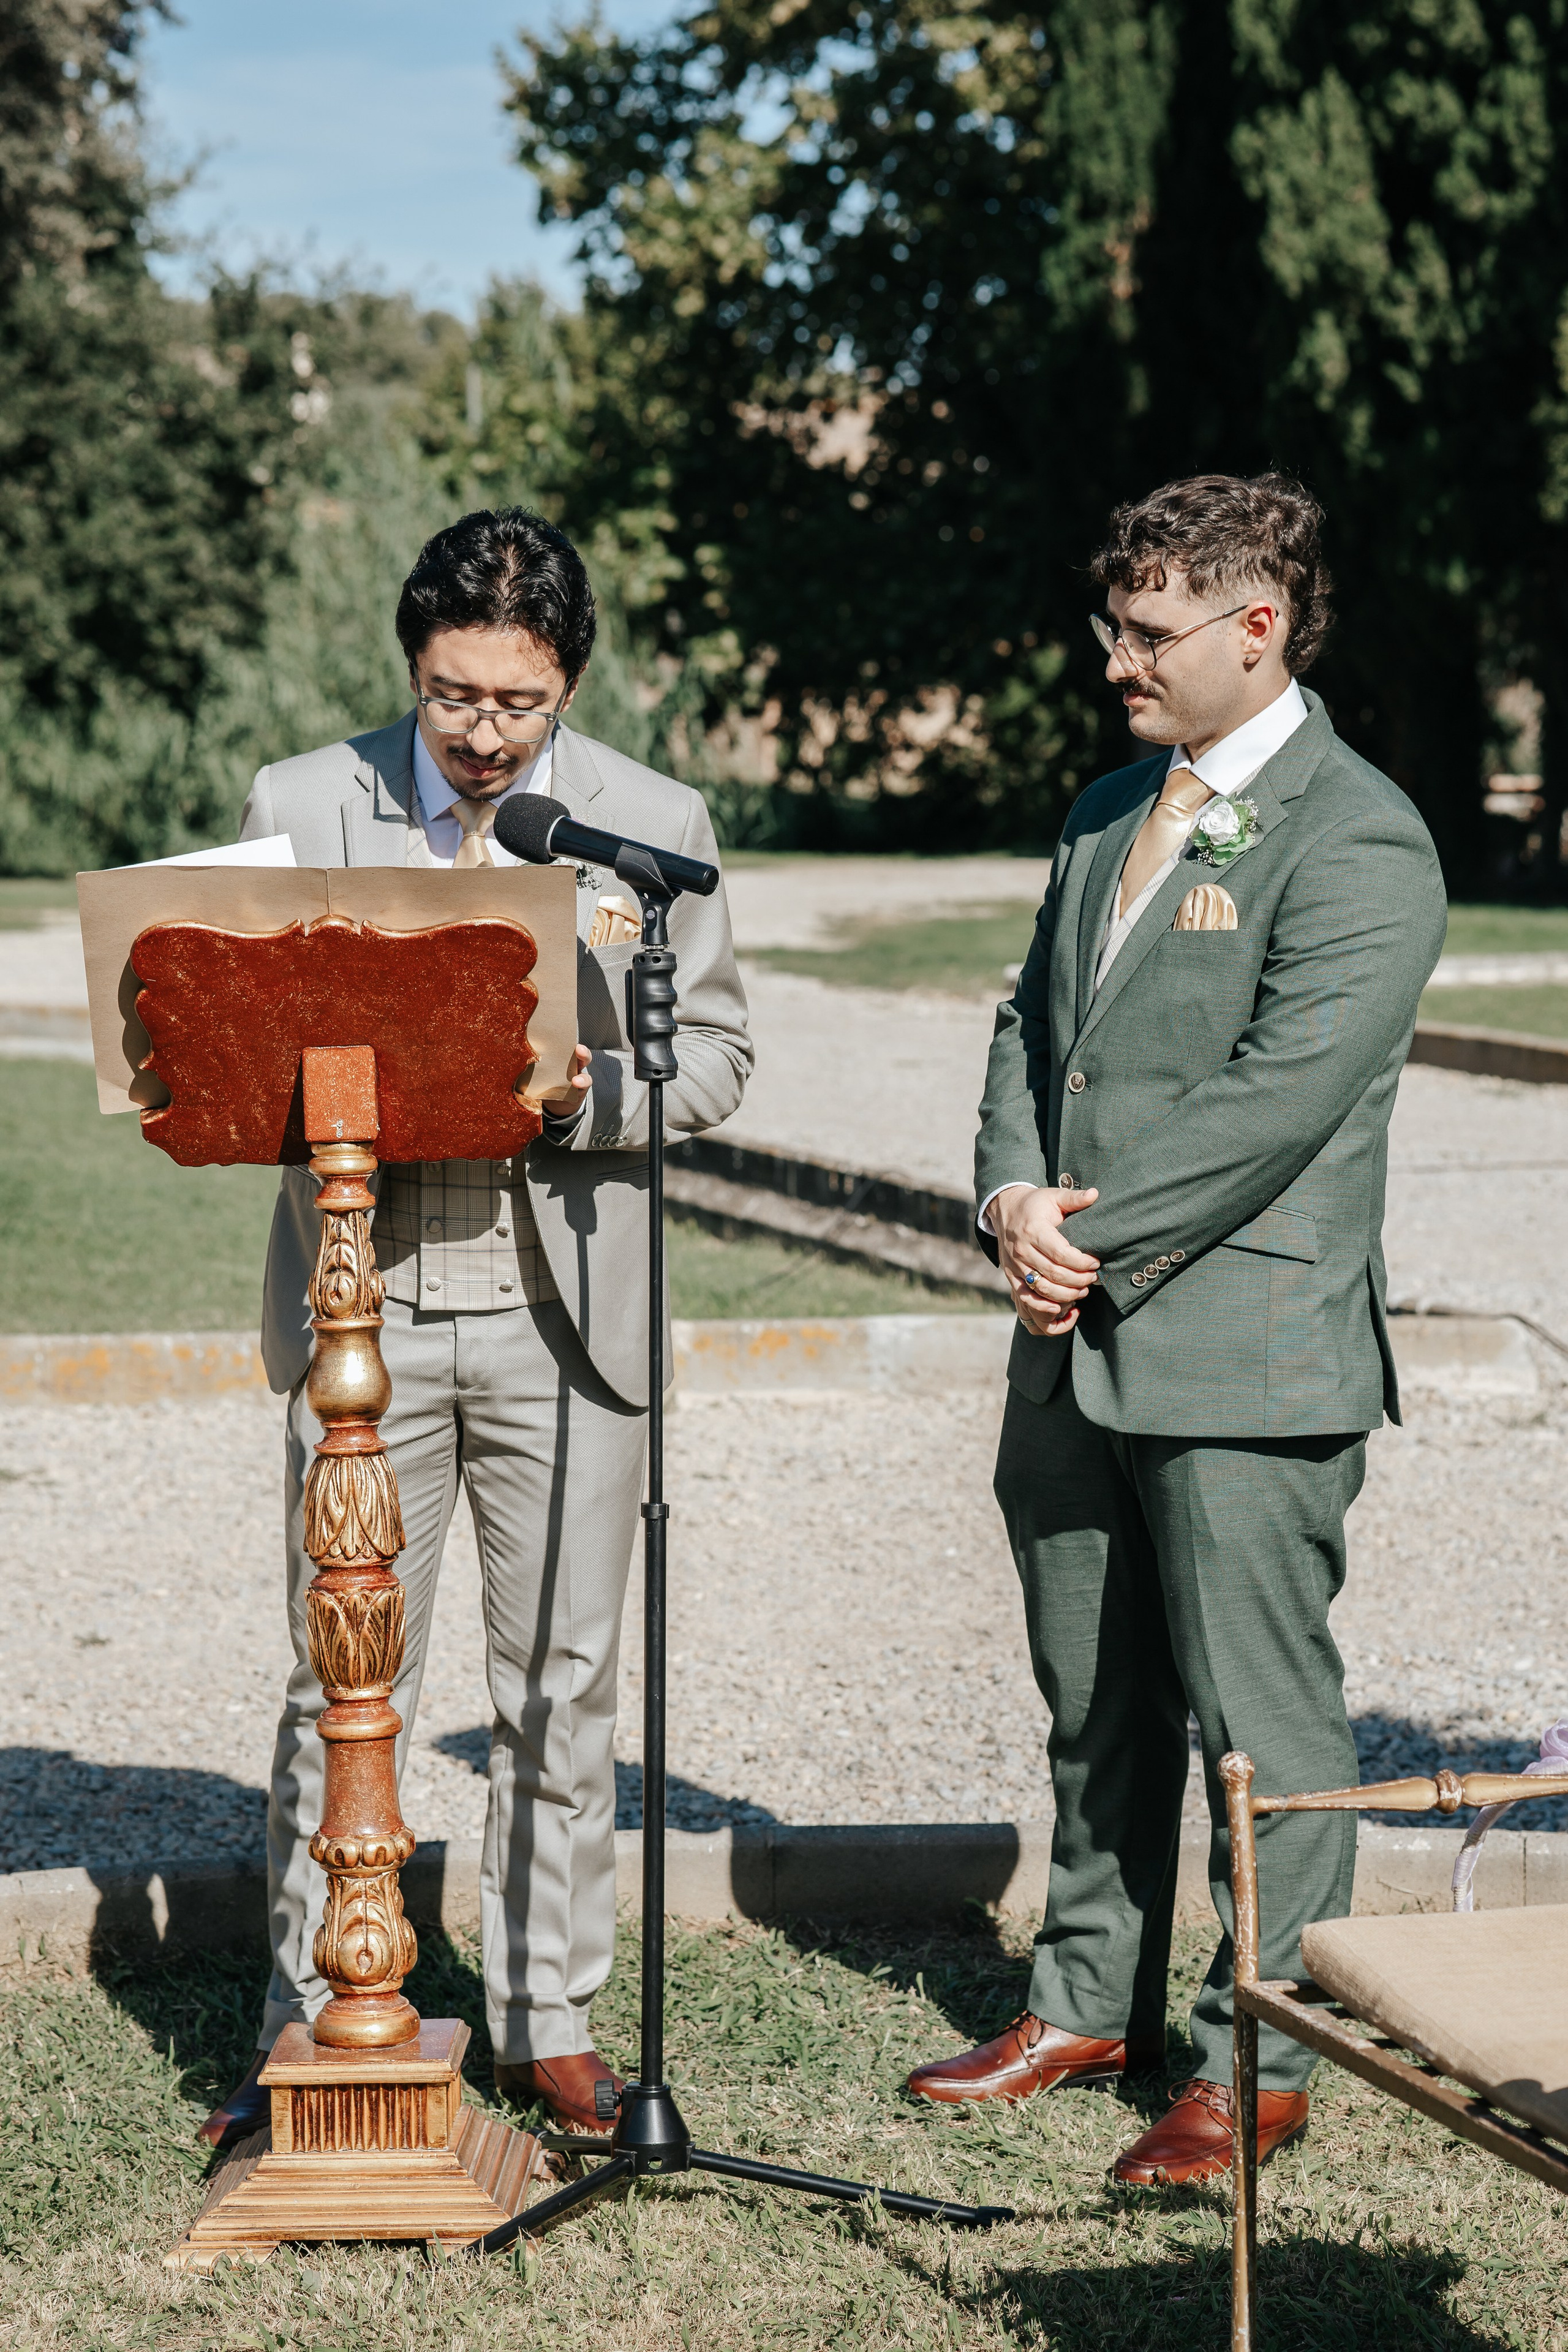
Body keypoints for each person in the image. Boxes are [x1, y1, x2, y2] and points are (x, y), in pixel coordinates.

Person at [905, 473, 1446, 2185]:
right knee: (1091, 1699)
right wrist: (1010, 1199)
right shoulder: (1101, 811)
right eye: (1114, 624)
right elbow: (1031, 1028)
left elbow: (1280, 1100)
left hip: (1244, 1354)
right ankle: (1086, 2000)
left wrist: (1082, 1237)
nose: (1115, 660)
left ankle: (1259, 2053)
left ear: (1255, 627)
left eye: (1147, 632)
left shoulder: (1360, 837)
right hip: (1071, 1335)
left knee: (1256, 1729)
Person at [199, 507, 751, 2148]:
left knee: (562, 1682)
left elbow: (719, 1063)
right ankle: (314, 2015)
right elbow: (226, 1038)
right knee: (340, 1678)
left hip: (565, 1318)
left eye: (520, 702)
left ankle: (545, 2017)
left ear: (570, 680)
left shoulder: (656, 823)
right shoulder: (301, 803)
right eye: (454, 697)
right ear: (411, 667)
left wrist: (588, 1096)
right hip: (358, 1303)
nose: (487, 734)